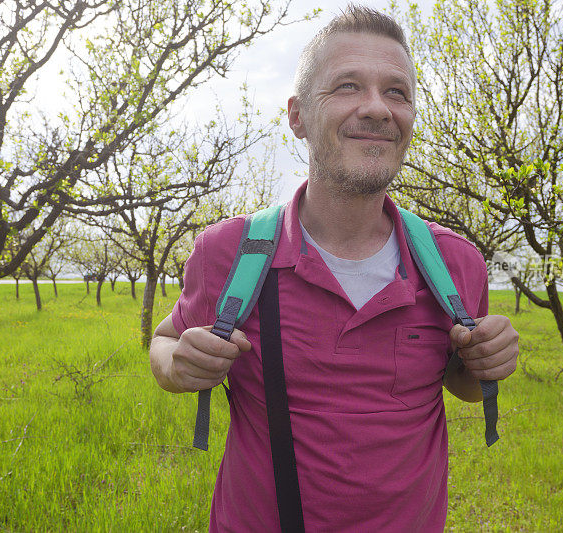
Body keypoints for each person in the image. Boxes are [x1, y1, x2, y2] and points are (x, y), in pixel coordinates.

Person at [150, 5, 519, 531]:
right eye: (348, 86)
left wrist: (484, 362)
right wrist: (176, 364)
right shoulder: (230, 254)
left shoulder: (455, 262)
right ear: (297, 115)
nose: (377, 108)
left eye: (397, 92)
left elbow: (457, 380)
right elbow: (164, 341)